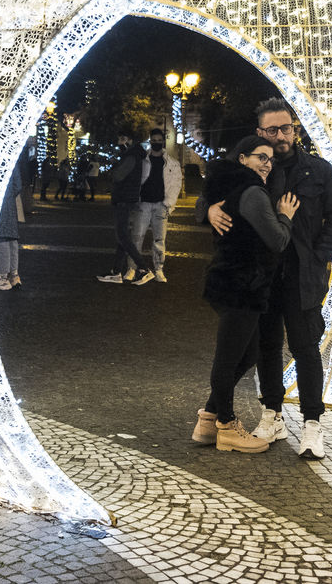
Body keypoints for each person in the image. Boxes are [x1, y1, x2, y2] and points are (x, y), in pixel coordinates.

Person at [208, 99, 332, 459]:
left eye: (286, 128)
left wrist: (319, 257)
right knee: (267, 347)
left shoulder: (318, 170)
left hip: (303, 277)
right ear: (260, 132)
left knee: (305, 348)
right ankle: (272, 414)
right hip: (264, 276)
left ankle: (312, 423)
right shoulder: (254, 169)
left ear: (295, 129)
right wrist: (206, 210)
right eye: (271, 130)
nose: (280, 136)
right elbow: (218, 190)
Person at [192, 135, 299, 452]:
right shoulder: (252, 191)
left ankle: (208, 419)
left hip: (234, 281)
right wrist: (286, 216)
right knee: (229, 357)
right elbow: (278, 240)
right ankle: (226, 425)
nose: (267, 164)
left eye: (270, 159)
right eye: (260, 157)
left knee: (247, 354)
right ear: (242, 158)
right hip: (243, 284)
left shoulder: (231, 183)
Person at [97, 132, 157, 284]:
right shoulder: (134, 154)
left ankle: (144, 269)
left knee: (122, 236)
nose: (119, 141)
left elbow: (118, 175)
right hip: (127, 198)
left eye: (122, 139)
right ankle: (116, 272)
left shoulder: (131, 155)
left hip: (124, 198)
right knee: (122, 237)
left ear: (130, 140)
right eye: (119, 138)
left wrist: (114, 168)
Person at [126, 128, 182, 285]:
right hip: (143, 204)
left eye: (159, 140)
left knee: (159, 240)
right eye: (154, 140)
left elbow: (176, 184)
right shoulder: (142, 160)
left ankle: (159, 269)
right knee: (137, 237)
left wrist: (168, 204)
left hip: (161, 205)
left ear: (163, 142)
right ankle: (132, 268)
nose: (156, 143)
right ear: (150, 141)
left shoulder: (172, 163)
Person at [0, 165, 24, 290]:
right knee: (12, 239)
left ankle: (3, 277)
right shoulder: (12, 162)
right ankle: (14, 275)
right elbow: (18, 185)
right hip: (10, 201)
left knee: (2, 238)